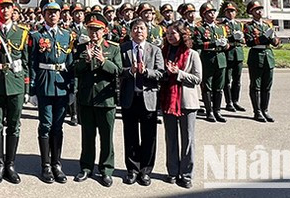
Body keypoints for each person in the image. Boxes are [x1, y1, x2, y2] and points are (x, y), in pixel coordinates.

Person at [28, 0, 74, 184]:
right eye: (49, 12)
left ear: (60, 14)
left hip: (62, 85)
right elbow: (32, 63)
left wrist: (72, 88)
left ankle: (57, 164)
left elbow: (70, 63)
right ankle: (45, 165)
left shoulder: (67, 35)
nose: (53, 15)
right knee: (45, 124)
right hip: (44, 84)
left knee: (58, 126)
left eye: (56, 12)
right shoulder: (36, 36)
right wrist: (31, 90)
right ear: (43, 14)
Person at [72, 12, 121, 187]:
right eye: (91, 29)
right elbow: (74, 69)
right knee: (87, 136)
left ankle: (106, 170)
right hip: (87, 99)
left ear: (104, 31)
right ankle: (86, 167)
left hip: (106, 99)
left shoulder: (113, 48)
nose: (94, 33)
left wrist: (103, 62)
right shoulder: (81, 48)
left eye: (98, 30)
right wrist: (86, 60)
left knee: (106, 137)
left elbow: (118, 70)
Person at [0, 0, 29, 184]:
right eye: (1, 7)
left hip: (16, 84)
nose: (5, 10)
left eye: (8, 7)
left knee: (14, 125)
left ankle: (10, 165)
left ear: (13, 9)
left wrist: (27, 89)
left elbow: (26, 62)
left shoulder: (22, 32)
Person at [119, 18, 164, 186]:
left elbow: (161, 73)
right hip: (129, 98)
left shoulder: (155, 50)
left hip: (148, 98)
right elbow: (118, 70)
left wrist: (146, 72)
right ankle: (132, 169)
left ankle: (145, 170)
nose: (139, 31)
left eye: (142, 28)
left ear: (147, 31)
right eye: (135, 28)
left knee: (149, 136)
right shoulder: (123, 49)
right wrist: (129, 71)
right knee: (130, 135)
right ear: (131, 31)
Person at [160, 22, 202, 189]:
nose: (170, 36)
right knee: (171, 138)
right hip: (168, 101)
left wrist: (179, 73)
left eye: (174, 33)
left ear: (182, 34)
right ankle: (172, 172)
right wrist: (165, 73)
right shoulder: (163, 52)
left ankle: (186, 174)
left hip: (187, 102)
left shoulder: (192, 54)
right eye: (168, 33)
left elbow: (197, 78)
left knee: (188, 139)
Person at [193, 2, 229, 123]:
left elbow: (227, 44)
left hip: (221, 59)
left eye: (213, 12)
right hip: (207, 59)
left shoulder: (221, 28)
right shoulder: (200, 28)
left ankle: (217, 111)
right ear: (204, 15)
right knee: (207, 86)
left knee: (219, 87)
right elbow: (198, 44)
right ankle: (209, 112)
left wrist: (225, 45)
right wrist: (214, 44)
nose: (212, 14)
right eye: (209, 12)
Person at [244, 0, 279, 123]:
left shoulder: (267, 25)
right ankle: (257, 111)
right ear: (251, 12)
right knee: (256, 85)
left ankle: (265, 110)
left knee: (267, 85)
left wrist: (273, 40)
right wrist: (264, 37)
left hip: (268, 56)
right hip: (256, 55)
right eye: (256, 10)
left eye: (260, 9)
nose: (259, 12)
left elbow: (276, 41)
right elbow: (249, 42)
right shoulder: (248, 26)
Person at [221, 2, 246, 112]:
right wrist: (232, 37)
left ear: (236, 13)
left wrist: (242, 38)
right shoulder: (222, 25)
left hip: (238, 53)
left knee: (237, 80)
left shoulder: (239, 25)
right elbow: (221, 38)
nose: (230, 13)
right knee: (227, 80)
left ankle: (235, 101)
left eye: (232, 11)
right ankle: (229, 102)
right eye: (228, 11)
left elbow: (244, 39)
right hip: (228, 53)